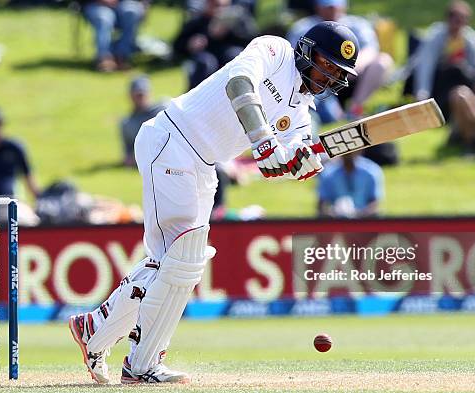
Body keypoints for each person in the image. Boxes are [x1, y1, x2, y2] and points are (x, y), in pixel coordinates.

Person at [68, 21, 359, 384]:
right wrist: (263, 139)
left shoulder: (302, 113)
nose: (327, 76)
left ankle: (95, 328)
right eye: (325, 63)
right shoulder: (275, 51)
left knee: (173, 264)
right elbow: (239, 85)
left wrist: (297, 165)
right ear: (306, 49)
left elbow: (279, 161)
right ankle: (140, 365)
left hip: (204, 165)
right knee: (182, 257)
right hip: (173, 139)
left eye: (336, 72)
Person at [287, 0, 393, 121]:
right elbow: (295, 58)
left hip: (351, 78)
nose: (332, 11)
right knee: (329, 117)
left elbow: (371, 50)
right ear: (318, 7)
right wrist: (327, 70)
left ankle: (355, 109)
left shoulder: (358, 24)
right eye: (328, 7)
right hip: (317, 81)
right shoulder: (302, 27)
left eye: (335, 7)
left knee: (382, 61)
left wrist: (342, 70)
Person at [412, 0, 475, 119]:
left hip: (461, 81)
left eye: (462, 21)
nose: (457, 26)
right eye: (455, 20)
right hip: (438, 79)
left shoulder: (472, 40)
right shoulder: (436, 36)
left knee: (458, 69)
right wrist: (422, 95)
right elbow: (425, 65)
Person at [172, 0, 257, 90]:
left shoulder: (238, 19)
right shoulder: (199, 20)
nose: (219, 10)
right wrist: (189, 43)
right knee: (205, 62)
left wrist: (230, 32)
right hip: (206, 56)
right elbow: (177, 46)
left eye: (222, 6)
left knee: (234, 56)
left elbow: (251, 40)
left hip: (227, 54)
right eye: (215, 5)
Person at [78, 0, 147, 72]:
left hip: (124, 3)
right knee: (104, 18)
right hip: (95, 4)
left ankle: (122, 56)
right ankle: (104, 58)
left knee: (131, 12)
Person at [317, 151, 383, 218]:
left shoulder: (371, 170)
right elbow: (322, 204)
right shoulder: (328, 172)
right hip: (336, 222)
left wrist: (359, 213)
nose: (348, 153)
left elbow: (375, 203)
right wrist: (333, 212)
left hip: (364, 221)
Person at [120, 76, 166, 167]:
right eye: (137, 95)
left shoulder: (162, 111)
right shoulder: (127, 123)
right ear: (130, 96)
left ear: (150, 93)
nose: (140, 98)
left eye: (143, 94)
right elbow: (128, 155)